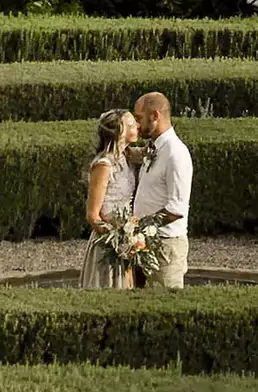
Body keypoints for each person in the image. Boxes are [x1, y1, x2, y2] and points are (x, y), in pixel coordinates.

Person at [126, 90, 192, 290]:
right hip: (143, 243)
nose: (137, 124)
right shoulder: (153, 148)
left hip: (165, 246)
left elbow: (176, 209)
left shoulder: (176, 153)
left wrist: (137, 228)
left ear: (155, 116)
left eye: (139, 118)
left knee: (164, 305)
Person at [81, 109, 140, 288]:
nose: (137, 126)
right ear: (119, 132)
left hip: (127, 236)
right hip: (108, 242)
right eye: (131, 124)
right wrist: (118, 241)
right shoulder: (104, 165)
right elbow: (93, 216)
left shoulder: (126, 157)